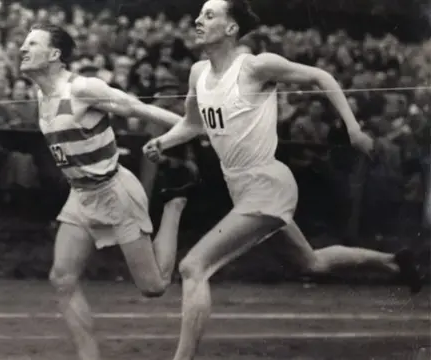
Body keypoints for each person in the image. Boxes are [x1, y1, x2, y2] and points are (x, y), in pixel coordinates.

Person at [141, 1, 424, 359]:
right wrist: (162, 141)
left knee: (193, 266)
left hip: (268, 185)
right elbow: (195, 124)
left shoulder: (257, 66)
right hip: (242, 190)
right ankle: (394, 262)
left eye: (209, 15)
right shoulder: (198, 73)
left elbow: (322, 77)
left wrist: (353, 130)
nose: (198, 19)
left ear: (231, 29)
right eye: (199, 13)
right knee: (311, 263)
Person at [18, 23, 198, 360]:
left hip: (114, 192)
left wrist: (191, 130)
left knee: (154, 287)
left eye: (32, 44)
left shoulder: (82, 88)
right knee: (62, 279)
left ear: (54, 54)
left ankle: (173, 207)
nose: (22, 50)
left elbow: (138, 108)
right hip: (80, 195)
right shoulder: (42, 95)